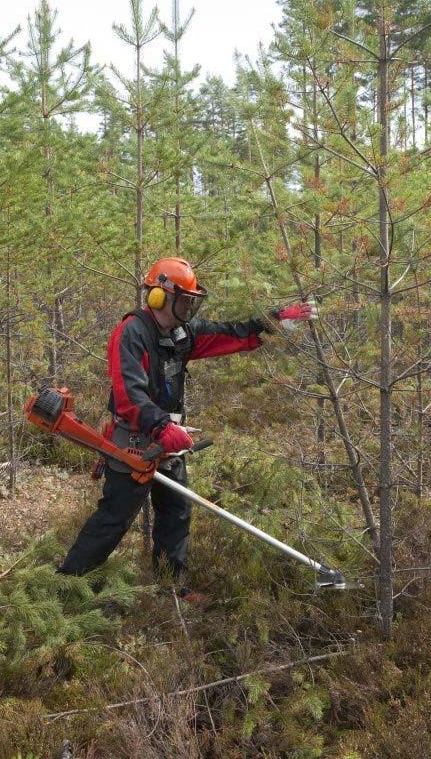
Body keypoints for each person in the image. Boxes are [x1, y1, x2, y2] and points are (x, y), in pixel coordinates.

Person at [57, 257, 315, 600]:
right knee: (114, 519)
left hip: (169, 442)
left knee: (176, 514)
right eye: (185, 300)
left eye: (193, 300)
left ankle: (171, 589)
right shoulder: (131, 333)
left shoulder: (181, 333)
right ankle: (66, 586)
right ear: (160, 297)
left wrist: (273, 321)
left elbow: (227, 333)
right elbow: (128, 394)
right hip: (133, 442)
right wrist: (160, 425)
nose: (190, 306)